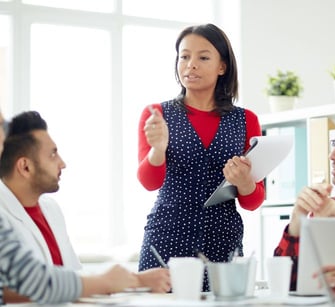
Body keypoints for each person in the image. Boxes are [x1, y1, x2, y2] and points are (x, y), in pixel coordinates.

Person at [137, 23, 265, 290]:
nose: (190, 65)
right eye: (184, 56)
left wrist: (244, 181)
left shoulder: (246, 120)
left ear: (222, 66)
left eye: (203, 57)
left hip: (222, 242)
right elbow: (149, 182)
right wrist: (158, 149)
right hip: (166, 240)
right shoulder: (156, 115)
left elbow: (253, 201)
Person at [0, 111, 171, 303]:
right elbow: (26, 285)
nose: (62, 163)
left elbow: (74, 277)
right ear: (25, 167)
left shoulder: (51, 209)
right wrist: (131, 281)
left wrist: (132, 282)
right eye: (53, 154)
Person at [274, 116, 335, 290]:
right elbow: (288, 284)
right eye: (334, 145)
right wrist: (297, 221)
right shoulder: (328, 208)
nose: (332, 155)